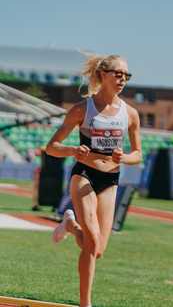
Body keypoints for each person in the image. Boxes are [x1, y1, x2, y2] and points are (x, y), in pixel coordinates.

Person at [46, 54, 141, 307]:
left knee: (97, 249)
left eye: (126, 75)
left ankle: (70, 226)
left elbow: (138, 154)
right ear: (102, 75)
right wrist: (73, 151)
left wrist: (125, 157)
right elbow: (51, 147)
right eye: (118, 74)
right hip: (84, 174)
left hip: (110, 179)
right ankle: (85, 303)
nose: (123, 80)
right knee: (93, 238)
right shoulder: (82, 109)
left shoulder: (130, 113)